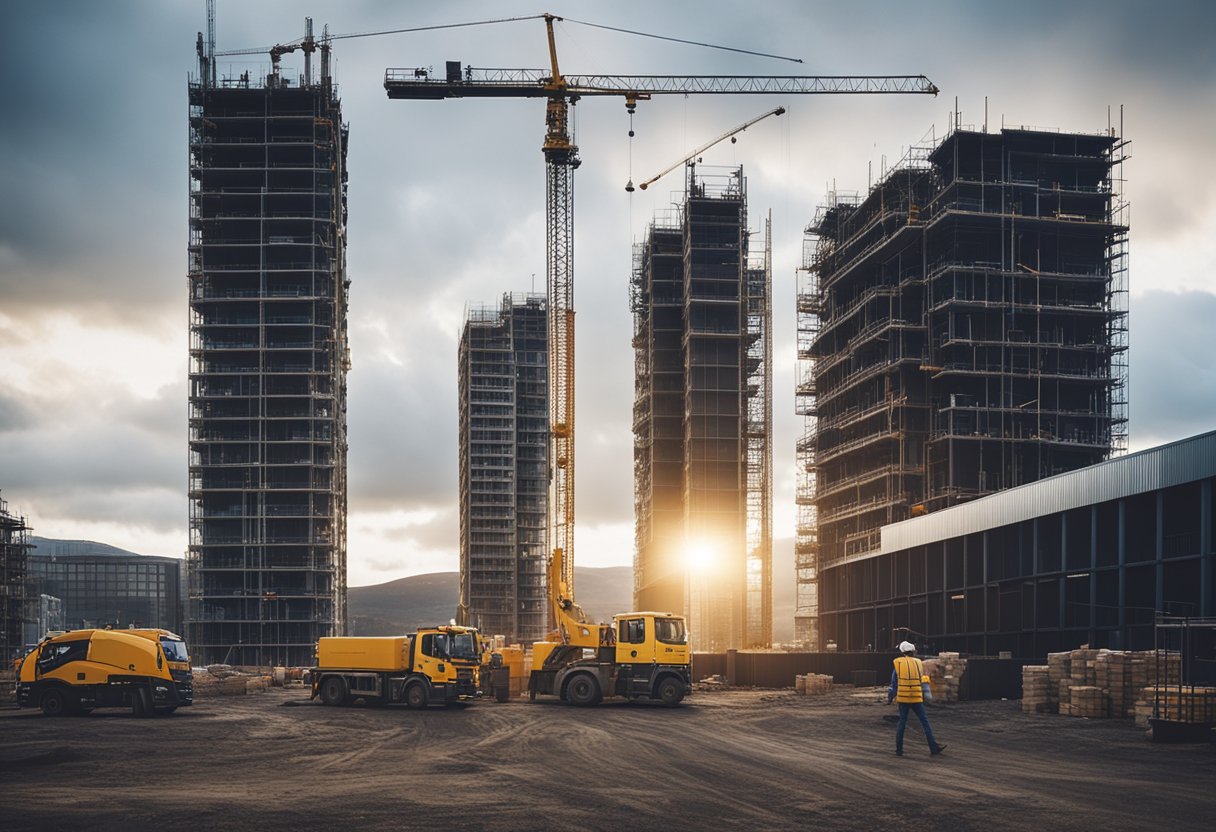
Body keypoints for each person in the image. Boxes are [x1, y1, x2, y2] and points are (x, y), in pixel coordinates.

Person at [887, 640, 946, 757]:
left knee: (902, 723)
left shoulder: (898, 664)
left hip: (904, 698)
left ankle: (899, 750)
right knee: (925, 722)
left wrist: (890, 698)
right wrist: (926, 695)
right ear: (912, 651)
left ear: (902, 652)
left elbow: (894, 683)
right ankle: (933, 747)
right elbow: (921, 680)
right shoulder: (918, 663)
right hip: (916, 697)